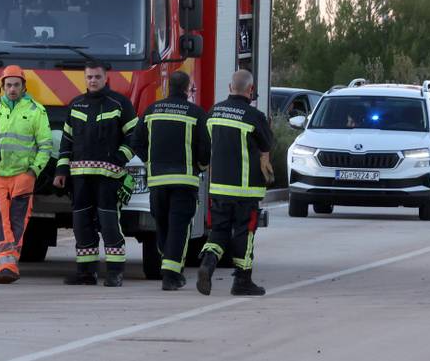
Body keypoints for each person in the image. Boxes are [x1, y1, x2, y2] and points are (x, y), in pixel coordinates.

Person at [53, 61, 138, 287]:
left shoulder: (119, 103)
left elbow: (135, 136)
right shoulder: (76, 105)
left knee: (109, 224)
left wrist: (119, 157)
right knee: (81, 225)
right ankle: (86, 273)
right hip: (79, 178)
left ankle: (114, 272)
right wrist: (61, 170)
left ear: (105, 78)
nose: (93, 80)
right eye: (89, 77)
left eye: (97, 77)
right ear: (85, 78)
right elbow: (66, 141)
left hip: (109, 178)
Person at [197, 69, 274, 296]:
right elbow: (267, 144)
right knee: (245, 232)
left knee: (218, 231)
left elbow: (204, 146)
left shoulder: (213, 112)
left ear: (230, 88)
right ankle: (242, 280)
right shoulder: (253, 116)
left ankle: (208, 264)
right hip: (245, 189)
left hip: (219, 187)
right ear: (250, 90)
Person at [132, 71, 210, 291]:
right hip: (184, 181)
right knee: (179, 228)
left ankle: (169, 268)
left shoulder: (151, 111)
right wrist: (200, 167)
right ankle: (171, 276)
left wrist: (150, 162)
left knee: (163, 226)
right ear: (188, 89)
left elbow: (136, 141)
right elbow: (205, 149)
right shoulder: (196, 113)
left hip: (157, 181)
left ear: (167, 88)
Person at [0, 65, 53, 284]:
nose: (12, 89)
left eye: (16, 85)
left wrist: (34, 171)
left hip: (23, 175)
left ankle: (6, 264)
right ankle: (7, 264)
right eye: (8, 85)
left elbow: (45, 146)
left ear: (24, 86)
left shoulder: (36, 110)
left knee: (17, 222)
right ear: (2, 87)